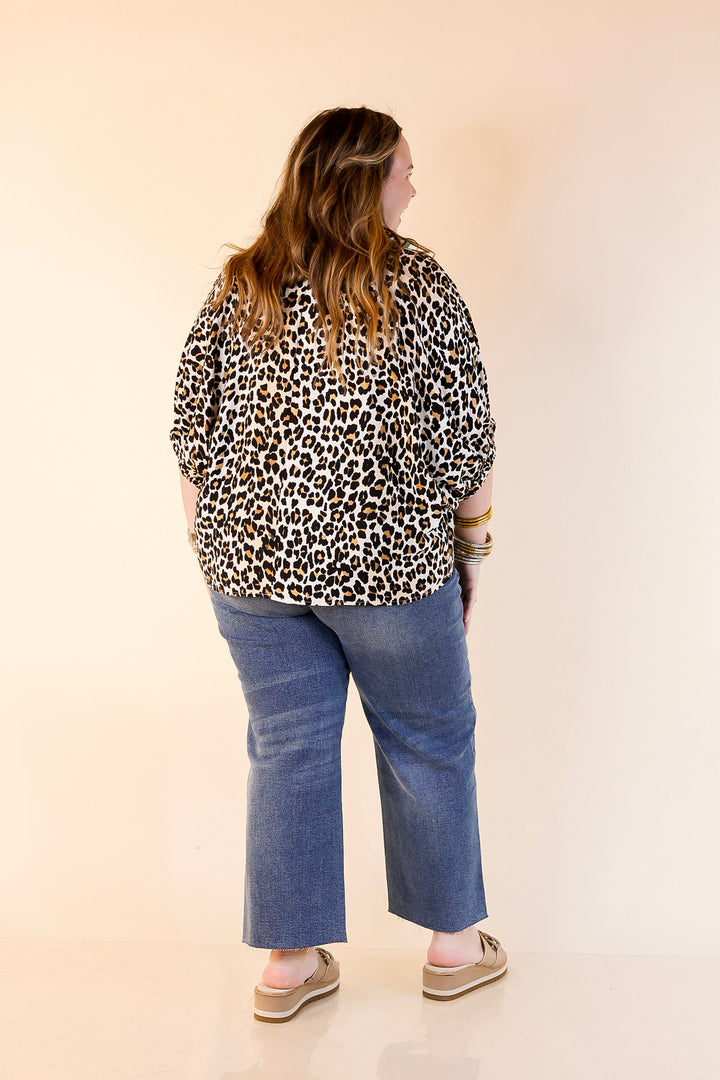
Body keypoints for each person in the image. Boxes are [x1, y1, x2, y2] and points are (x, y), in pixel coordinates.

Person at [170, 106, 507, 1023]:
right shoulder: (417, 283)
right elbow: (466, 443)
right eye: (404, 169)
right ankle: (454, 948)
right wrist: (473, 550)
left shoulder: (242, 283)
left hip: (250, 572)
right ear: (365, 179)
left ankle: (289, 966)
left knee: (288, 747)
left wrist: (215, 547)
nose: (414, 186)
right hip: (388, 571)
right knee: (429, 736)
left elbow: (190, 433)